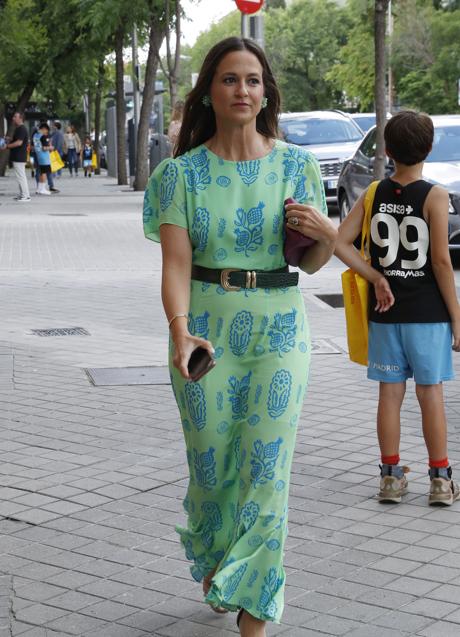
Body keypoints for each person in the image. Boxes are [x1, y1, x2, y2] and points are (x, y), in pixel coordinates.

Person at [143, 37, 337, 636]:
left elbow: (312, 265)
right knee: (213, 468)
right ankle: (221, 557)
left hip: (280, 331)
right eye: (230, 80)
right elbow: (175, 266)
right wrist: (180, 334)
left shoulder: (296, 166)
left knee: (266, 470)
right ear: (209, 90)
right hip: (204, 337)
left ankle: (256, 609)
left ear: (266, 91)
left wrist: (324, 230)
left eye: (253, 80)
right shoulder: (181, 175)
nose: (243, 91)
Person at [335, 110, 460, 506]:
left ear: (387, 150)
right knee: (430, 393)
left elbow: (339, 242)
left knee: (389, 396)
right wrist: (458, 318)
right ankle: (440, 480)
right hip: (428, 314)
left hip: (385, 315)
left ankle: (390, 477)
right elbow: (441, 262)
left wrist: (374, 276)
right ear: (429, 148)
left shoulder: (373, 194)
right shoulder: (436, 196)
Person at [0, 112, 31, 201]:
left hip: (19, 156)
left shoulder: (21, 128)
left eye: (15, 117)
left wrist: (7, 146)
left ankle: (26, 196)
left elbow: (19, 143)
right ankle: (22, 194)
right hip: (18, 156)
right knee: (20, 176)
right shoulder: (19, 128)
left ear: (20, 118)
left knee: (21, 176)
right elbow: (17, 140)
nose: (13, 118)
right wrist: (9, 139)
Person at [32, 122, 53, 196]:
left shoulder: (35, 135)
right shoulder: (43, 136)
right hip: (44, 157)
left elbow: (34, 146)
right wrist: (50, 147)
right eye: (46, 131)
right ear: (44, 129)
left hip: (38, 155)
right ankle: (43, 189)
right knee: (44, 173)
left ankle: (39, 188)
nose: (46, 132)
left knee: (41, 172)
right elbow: (44, 148)